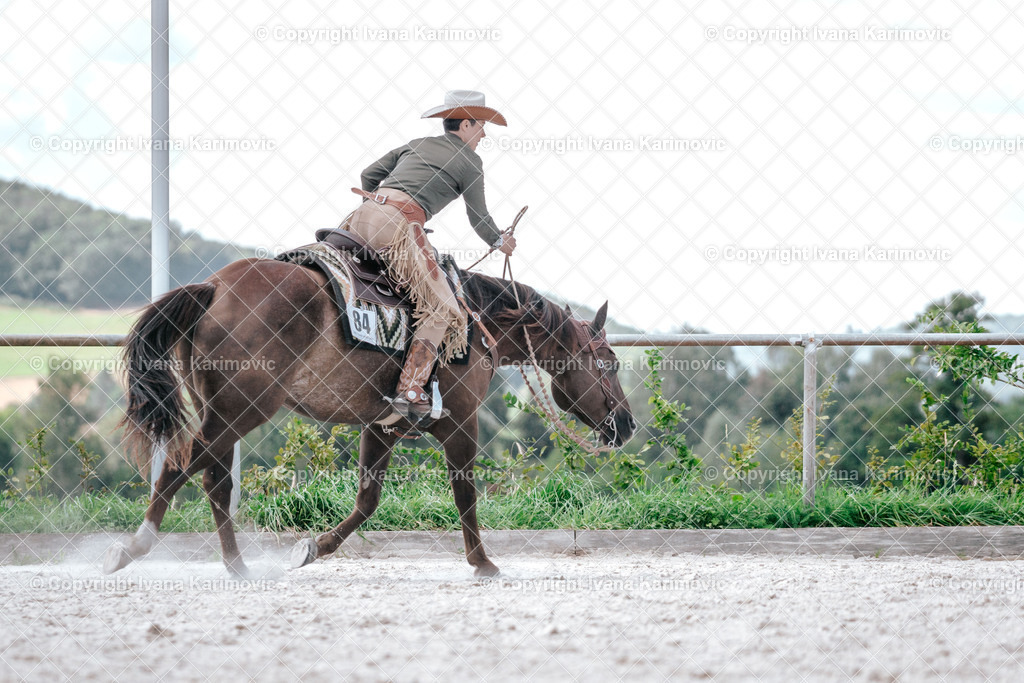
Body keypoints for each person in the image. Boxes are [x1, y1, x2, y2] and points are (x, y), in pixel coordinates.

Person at [346, 90, 516, 423]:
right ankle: (410, 389)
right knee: (443, 308)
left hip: (359, 218)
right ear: (466, 124)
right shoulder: (471, 162)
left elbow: (368, 174)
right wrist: (499, 241)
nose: (484, 135)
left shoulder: (417, 143)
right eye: (481, 127)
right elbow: (479, 218)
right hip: (398, 227)